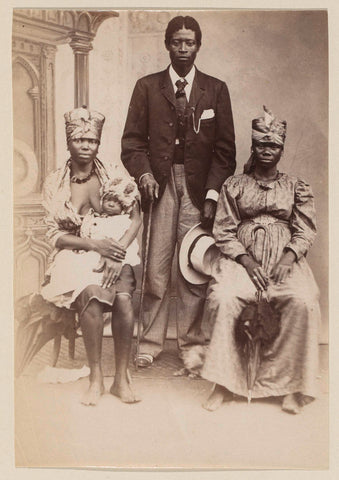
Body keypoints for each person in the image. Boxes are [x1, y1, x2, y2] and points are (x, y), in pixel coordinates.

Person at [121, 15, 236, 367]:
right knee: (155, 268)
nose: (183, 49)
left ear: (198, 46)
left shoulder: (215, 89)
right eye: (177, 42)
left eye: (189, 42)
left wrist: (213, 195)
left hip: (199, 188)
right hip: (159, 184)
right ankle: (150, 342)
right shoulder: (147, 87)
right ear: (167, 44)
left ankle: (191, 345)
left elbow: (225, 152)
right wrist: (144, 175)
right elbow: (132, 143)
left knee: (192, 268)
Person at [201, 106, 320, 414]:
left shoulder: (296, 186)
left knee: (302, 300)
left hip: (284, 258)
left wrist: (289, 256)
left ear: (281, 150)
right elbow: (224, 230)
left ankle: (291, 386)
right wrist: (247, 261)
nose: (267, 150)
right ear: (253, 147)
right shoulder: (234, 185)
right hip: (243, 258)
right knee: (224, 297)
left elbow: (306, 229)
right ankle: (224, 383)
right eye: (262, 145)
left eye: (274, 146)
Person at [41, 106, 141, 406]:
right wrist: (95, 246)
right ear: (68, 142)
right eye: (79, 140)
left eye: (92, 141)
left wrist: (116, 253)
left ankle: (120, 379)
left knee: (123, 300)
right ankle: (96, 377)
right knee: (93, 295)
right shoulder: (55, 182)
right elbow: (53, 234)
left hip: (117, 249)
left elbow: (136, 218)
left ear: (99, 143)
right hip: (74, 253)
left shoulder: (113, 173)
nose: (86, 146)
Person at [42, 176, 141, 308]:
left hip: (118, 256)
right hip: (87, 252)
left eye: (116, 203)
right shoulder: (94, 217)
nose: (111, 204)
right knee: (70, 271)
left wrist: (115, 255)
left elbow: (134, 223)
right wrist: (92, 245)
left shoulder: (122, 220)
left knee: (119, 297)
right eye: (108, 200)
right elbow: (56, 233)